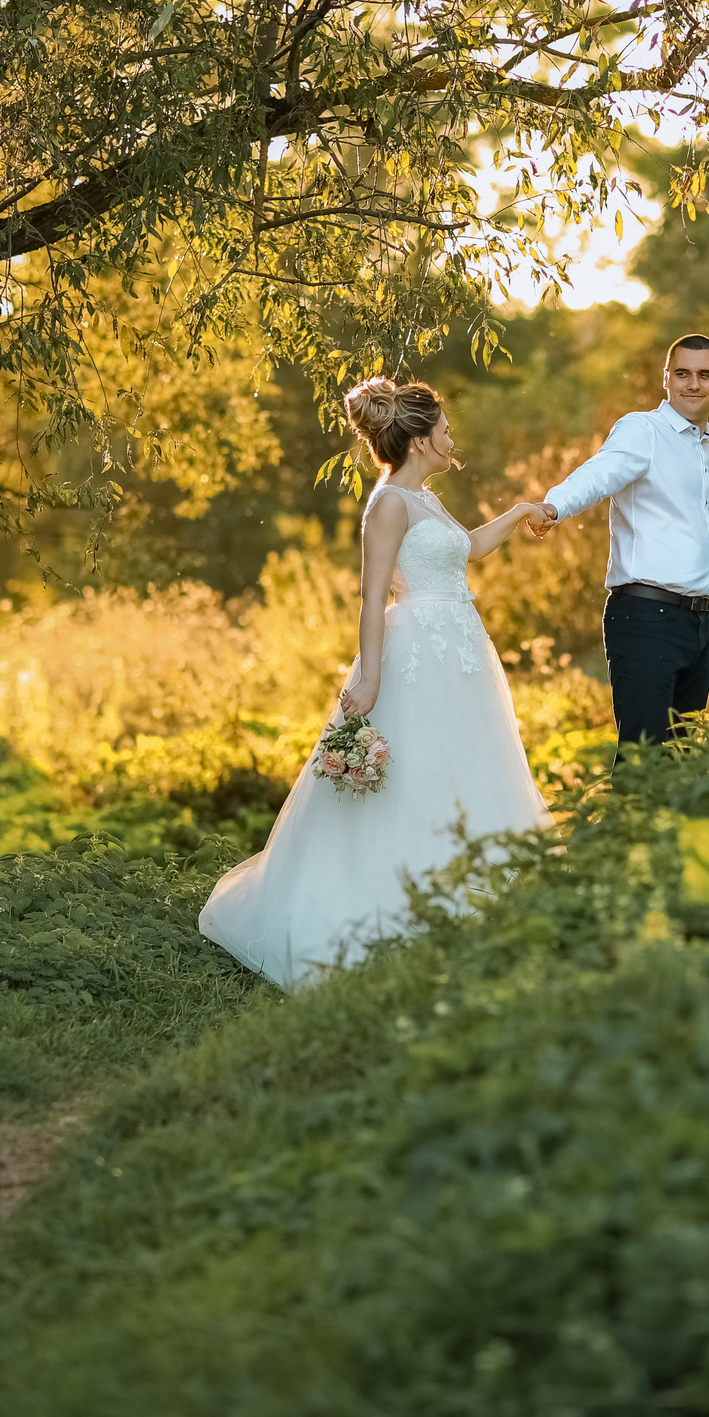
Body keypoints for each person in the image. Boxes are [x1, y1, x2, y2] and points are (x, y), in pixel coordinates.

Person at [199, 377, 553, 989]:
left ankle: (469, 902)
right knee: (412, 777)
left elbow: (466, 547)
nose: (451, 437)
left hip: (461, 652)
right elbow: (370, 599)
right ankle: (401, 910)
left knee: (464, 767)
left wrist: (520, 514)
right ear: (419, 439)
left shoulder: (425, 497)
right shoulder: (387, 503)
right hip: (416, 650)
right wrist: (370, 677)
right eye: (443, 429)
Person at [528, 333, 709, 745]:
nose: (693, 384)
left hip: (700, 631)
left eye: (705, 375)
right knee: (644, 760)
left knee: (679, 766)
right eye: (682, 373)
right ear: (665, 378)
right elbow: (599, 474)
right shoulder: (643, 430)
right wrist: (554, 507)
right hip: (647, 618)